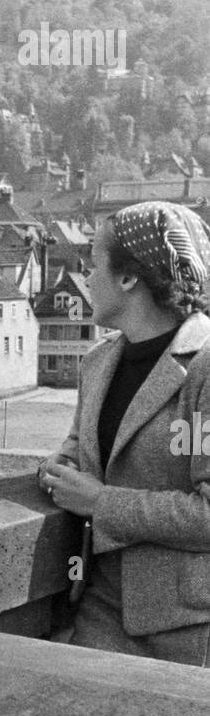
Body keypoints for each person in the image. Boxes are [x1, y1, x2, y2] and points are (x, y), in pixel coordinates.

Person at [37, 200, 210, 664]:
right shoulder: (98, 363)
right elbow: (77, 452)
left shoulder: (206, 367)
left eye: (94, 264)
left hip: (189, 628)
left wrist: (99, 502)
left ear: (130, 278)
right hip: (98, 611)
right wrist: (57, 469)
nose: (87, 278)